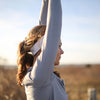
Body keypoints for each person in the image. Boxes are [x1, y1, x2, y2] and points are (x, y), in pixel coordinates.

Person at [16, 0, 68, 100]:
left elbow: (45, 26)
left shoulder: (42, 75)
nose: (62, 52)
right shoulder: (40, 76)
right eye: (58, 46)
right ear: (43, 47)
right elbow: (54, 27)